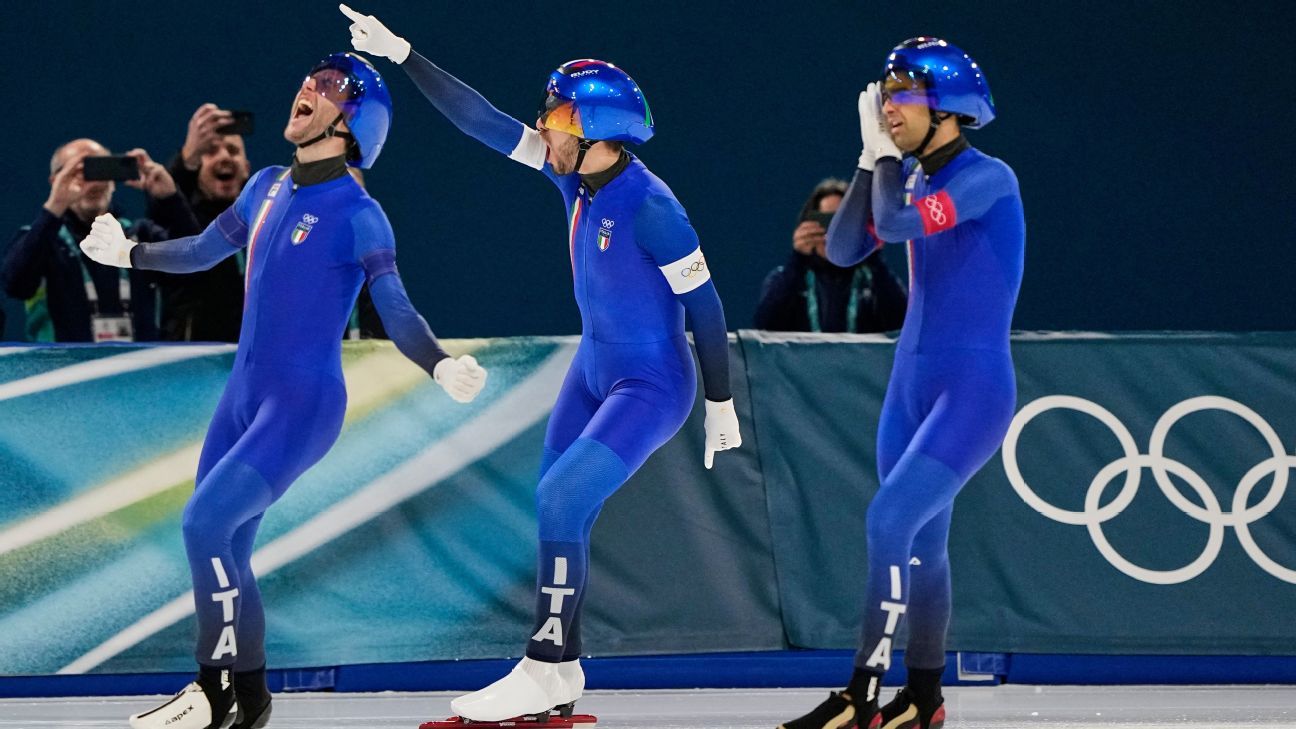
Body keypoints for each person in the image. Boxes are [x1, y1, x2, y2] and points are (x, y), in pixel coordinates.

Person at [340, 5, 743, 725]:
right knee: (559, 504)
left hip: (653, 383)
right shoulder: (573, 178)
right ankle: (563, 670)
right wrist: (404, 53)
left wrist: (720, 401)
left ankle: (541, 665)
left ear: (597, 133)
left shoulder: (655, 207)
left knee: (561, 499)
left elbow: (707, 309)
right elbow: (481, 121)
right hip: (594, 369)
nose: (542, 128)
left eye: (555, 119)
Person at [79, 52, 487, 729]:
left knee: (203, 523)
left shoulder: (362, 214)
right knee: (226, 546)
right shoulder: (265, 184)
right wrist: (129, 252)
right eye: (307, 79)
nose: (306, 88)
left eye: (326, 87)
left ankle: (212, 690)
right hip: (243, 396)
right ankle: (253, 696)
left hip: (303, 405)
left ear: (353, 124)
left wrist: (439, 364)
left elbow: (398, 308)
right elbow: (205, 249)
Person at [779, 37, 1024, 729]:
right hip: (910, 383)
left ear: (945, 107)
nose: (889, 110)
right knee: (922, 544)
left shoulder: (987, 178)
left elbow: (890, 224)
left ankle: (861, 693)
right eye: (883, 98)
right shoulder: (907, 174)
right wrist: (869, 162)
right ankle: (924, 696)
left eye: (902, 97)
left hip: (971, 389)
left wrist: (883, 162)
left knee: (889, 519)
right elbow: (849, 247)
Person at [2, 140, 199, 342]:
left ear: (113, 180)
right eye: (81, 172)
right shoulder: (41, 240)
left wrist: (169, 198)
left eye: (101, 170)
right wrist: (55, 206)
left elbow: (196, 267)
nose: (95, 182)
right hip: (66, 370)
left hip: (137, 369)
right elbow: (16, 285)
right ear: (56, 181)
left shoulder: (140, 236)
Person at [150, 104, 254, 342]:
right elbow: (163, 205)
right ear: (197, 167)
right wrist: (188, 156)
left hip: (252, 359)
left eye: (232, 150)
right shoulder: (181, 219)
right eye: (211, 151)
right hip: (195, 362)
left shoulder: (263, 222)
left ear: (247, 169)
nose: (224, 156)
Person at [755, 178, 906, 333]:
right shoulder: (787, 278)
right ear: (808, 225)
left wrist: (873, 256)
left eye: (842, 223)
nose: (833, 234)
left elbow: (902, 326)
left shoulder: (872, 279)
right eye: (825, 222)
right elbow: (765, 328)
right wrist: (797, 261)